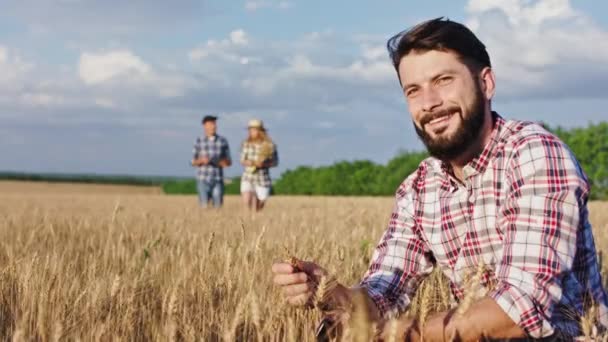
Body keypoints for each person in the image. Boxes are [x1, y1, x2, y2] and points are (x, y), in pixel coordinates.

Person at [271, 17, 608, 341]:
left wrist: (402, 335)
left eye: (443, 81)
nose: (429, 103)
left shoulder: (534, 154)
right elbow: (382, 295)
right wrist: (333, 294)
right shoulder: (419, 188)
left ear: (486, 83)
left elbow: (521, 309)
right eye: (413, 90)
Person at [191, 115, 231, 208]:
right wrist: (201, 160)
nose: (213, 126)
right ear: (204, 126)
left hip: (217, 178)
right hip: (202, 178)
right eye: (211, 124)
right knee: (204, 206)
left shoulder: (223, 141)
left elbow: (228, 162)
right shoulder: (198, 141)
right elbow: (192, 161)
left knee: (218, 207)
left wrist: (218, 162)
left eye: (214, 124)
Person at [240, 119, 279, 212]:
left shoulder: (270, 145)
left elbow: (275, 162)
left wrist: (264, 164)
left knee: (260, 203)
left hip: (263, 178)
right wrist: (249, 162)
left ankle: (256, 215)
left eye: (254, 129)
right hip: (248, 175)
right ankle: (247, 217)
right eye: (250, 130)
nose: (252, 132)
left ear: (260, 131)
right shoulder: (246, 144)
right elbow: (242, 160)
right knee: (247, 199)